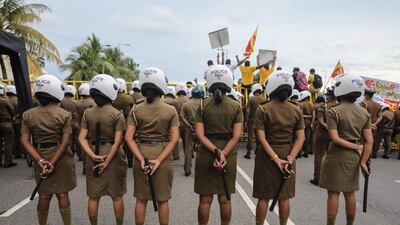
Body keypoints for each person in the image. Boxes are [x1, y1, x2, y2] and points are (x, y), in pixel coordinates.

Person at [125, 67, 179, 225]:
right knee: (163, 200)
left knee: (141, 200)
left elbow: (129, 138)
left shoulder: (135, 110)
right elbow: (174, 139)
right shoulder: (170, 110)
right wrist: (160, 159)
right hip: (162, 153)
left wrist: (141, 159)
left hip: (142, 152)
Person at [20, 75, 76, 225]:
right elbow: (65, 142)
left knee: (44, 195)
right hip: (61, 157)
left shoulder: (28, 114)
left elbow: (24, 141)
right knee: (62, 194)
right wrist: (53, 162)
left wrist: (41, 160)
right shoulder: (64, 114)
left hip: (40, 155)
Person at [319, 73, 373, 225]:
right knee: (350, 194)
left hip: (336, 155)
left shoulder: (333, 111)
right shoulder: (364, 113)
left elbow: (335, 139)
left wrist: (356, 146)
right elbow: (369, 142)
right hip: (354, 157)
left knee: (333, 193)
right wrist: (362, 161)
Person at [253, 70, 305, 225]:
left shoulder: (263, 109)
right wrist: (289, 159)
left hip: (267, 155)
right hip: (289, 153)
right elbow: (300, 138)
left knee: (264, 196)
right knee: (284, 197)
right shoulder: (296, 109)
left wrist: (276, 159)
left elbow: (261, 138)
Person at [194, 65, 243, 225]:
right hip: (228, 154)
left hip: (206, 152)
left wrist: (215, 151)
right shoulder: (236, 106)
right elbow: (237, 136)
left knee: (205, 200)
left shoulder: (202, 105)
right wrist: (223, 153)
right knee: (225, 199)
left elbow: (200, 134)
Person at [78, 74, 127, 225]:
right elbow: (118, 141)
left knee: (93, 196)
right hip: (113, 154)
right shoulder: (117, 114)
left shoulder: (88, 113)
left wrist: (91, 154)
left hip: (93, 151)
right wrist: (107, 161)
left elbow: (81, 138)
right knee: (117, 196)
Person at [310, 88, 337, 186]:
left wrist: (327, 127)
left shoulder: (324, 106)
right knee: (333, 157)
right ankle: (331, 178)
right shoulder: (339, 106)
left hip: (323, 134)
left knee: (319, 156)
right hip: (336, 135)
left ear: (329, 96)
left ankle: (318, 178)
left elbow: (321, 121)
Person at [180, 85, 205, 176]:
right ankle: (202, 170)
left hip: (190, 128)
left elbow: (182, 116)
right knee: (203, 150)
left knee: (188, 150)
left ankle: (187, 170)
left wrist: (189, 126)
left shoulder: (186, 104)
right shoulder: (205, 103)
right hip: (202, 129)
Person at [76, 83, 96, 174]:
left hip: (81, 127)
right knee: (92, 148)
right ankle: (92, 165)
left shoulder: (78, 103)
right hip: (91, 129)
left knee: (84, 148)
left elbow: (78, 117)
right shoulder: (93, 102)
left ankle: (85, 167)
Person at [244, 83, 265, 159]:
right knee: (259, 136)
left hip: (251, 119)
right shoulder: (264, 99)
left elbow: (247, 110)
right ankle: (258, 151)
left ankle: (248, 152)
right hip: (260, 120)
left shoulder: (251, 99)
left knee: (250, 136)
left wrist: (246, 121)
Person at [360, 89, 382, 158]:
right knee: (370, 142)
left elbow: (360, 116)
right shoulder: (378, 105)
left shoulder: (363, 103)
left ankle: (362, 158)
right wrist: (375, 124)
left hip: (364, 127)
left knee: (362, 142)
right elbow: (380, 116)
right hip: (373, 127)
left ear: (366, 95)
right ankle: (368, 157)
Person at [60, 85, 80, 160]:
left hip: (65, 123)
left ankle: (70, 155)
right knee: (78, 140)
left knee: (68, 140)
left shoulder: (61, 101)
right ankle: (80, 155)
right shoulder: (76, 102)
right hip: (75, 123)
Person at [0, 82, 17, 167]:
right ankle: (8, 161)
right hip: (6, 123)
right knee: (8, 143)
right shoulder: (5, 100)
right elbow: (12, 110)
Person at [6, 84, 23, 159]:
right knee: (19, 137)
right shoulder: (18, 100)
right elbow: (22, 111)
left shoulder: (5, 99)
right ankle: (19, 152)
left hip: (8, 122)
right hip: (18, 122)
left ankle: (14, 152)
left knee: (10, 139)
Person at [173, 83, 189, 160]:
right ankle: (189, 154)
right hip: (186, 123)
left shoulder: (174, 101)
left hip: (176, 123)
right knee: (187, 141)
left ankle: (176, 155)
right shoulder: (188, 101)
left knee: (175, 140)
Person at [300, 90, 315, 157]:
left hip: (303, 121)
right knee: (307, 137)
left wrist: (306, 116)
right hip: (309, 122)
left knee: (301, 137)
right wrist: (311, 123)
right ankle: (306, 152)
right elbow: (313, 115)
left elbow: (300, 114)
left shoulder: (302, 104)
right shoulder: (312, 104)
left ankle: (300, 152)